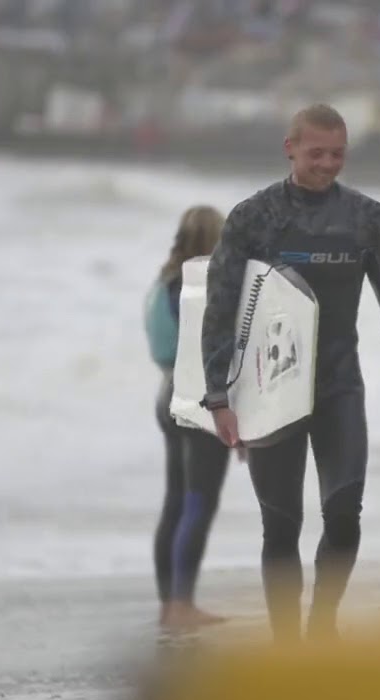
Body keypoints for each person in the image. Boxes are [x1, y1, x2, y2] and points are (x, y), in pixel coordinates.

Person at [198, 103, 380, 644]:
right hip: (270, 388)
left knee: (344, 513)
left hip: (339, 385)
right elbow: (219, 308)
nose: (328, 164)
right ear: (290, 149)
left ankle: (322, 627)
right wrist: (217, 397)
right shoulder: (253, 218)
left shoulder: (369, 219)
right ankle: (286, 644)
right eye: (316, 153)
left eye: (338, 154)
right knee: (281, 525)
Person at [146, 204, 244, 631]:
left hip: (167, 394)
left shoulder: (163, 282)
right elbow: (216, 352)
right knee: (198, 502)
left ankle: (170, 604)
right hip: (200, 399)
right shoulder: (203, 286)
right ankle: (182, 604)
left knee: (175, 502)